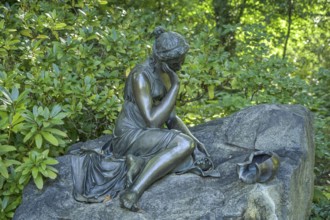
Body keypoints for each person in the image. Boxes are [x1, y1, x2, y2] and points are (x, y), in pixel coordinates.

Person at [70, 27, 218, 212]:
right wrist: (175, 87)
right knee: (181, 146)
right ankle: (133, 191)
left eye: (181, 60)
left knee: (188, 148)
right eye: (175, 62)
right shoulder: (140, 75)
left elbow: (170, 117)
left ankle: (139, 162)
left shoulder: (165, 74)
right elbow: (153, 121)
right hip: (130, 134)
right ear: (161, 59)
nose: (180, 66)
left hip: (148, 134)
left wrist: (197, 145)